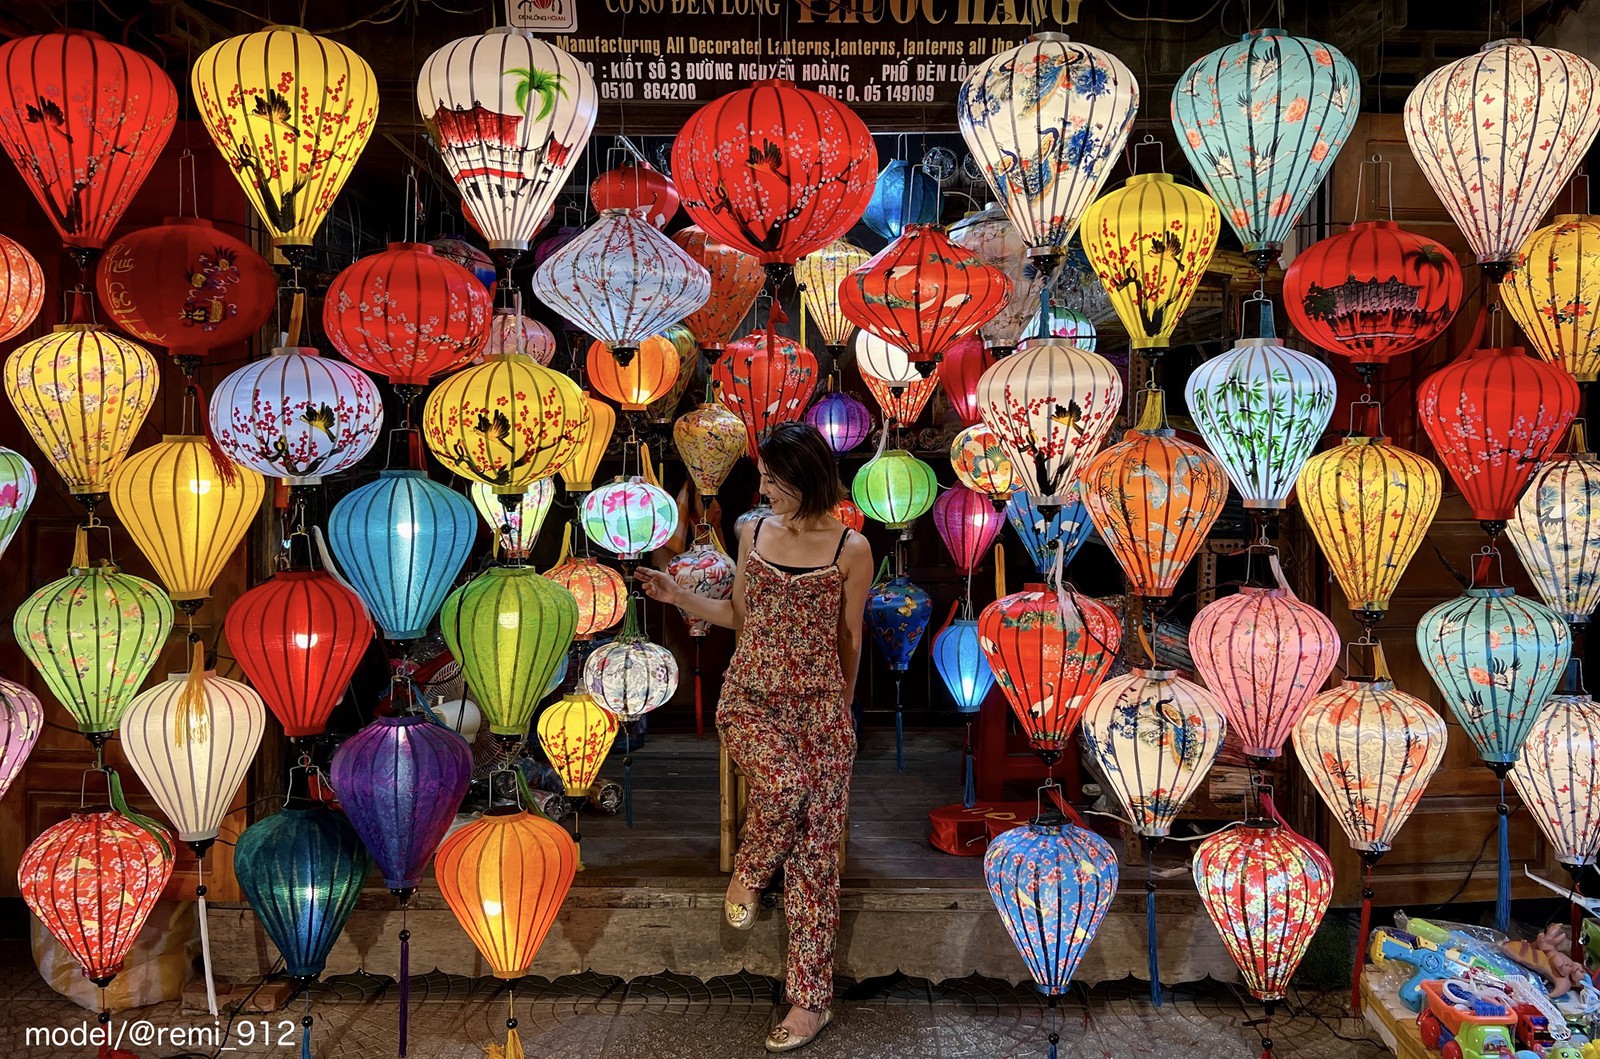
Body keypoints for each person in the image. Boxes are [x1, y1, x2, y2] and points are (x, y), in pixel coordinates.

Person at [636, 421, 872, 1052]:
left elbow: (849, 640)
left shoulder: (851, 548)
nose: (764, 487)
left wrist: (839, 715)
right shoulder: (751, 530)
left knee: (816, 857)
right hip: (750, 702)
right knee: (788, 784)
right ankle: (748, 870)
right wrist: (679, 593)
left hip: (819, 707)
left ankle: (808, 1002)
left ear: (810, 478)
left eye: (775, 478)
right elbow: (740, 615)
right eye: (763, 476)